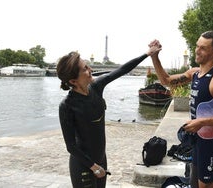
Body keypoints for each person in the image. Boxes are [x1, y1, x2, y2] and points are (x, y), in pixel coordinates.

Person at [149, 31, 213, 188]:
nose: (197, 51)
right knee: (195, 182)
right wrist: (155, 57)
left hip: (210, 142)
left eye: (203, 48)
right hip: (196, 140)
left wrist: (202, 121)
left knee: (206, 185)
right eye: (197, 46)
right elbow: (166, 81)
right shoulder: (194, 73)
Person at [56, 46, 160, 188]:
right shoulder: (67, 106)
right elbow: (71, 146)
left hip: (101, 158)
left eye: (88, 66)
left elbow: (122, 70)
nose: (90, 70)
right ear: (73, 81)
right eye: (85, 69)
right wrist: (93, 167)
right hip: (83, 165)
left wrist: (147, 54)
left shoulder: (97, 87)